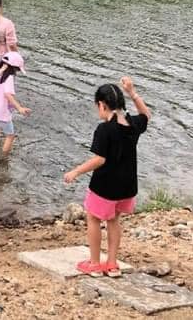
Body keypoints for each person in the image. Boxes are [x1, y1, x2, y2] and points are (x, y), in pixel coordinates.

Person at [64, 76, 151, 277]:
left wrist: (76, 171)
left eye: (98, 106)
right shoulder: (133, 124)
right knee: (114, 220)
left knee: (93, 218)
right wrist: (133, 92)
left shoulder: (105, 129)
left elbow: (99, 160)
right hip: (127, 185)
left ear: (102, 105)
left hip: (105, 184)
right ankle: (112, 263)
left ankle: (94, 263)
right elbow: (146, 114)